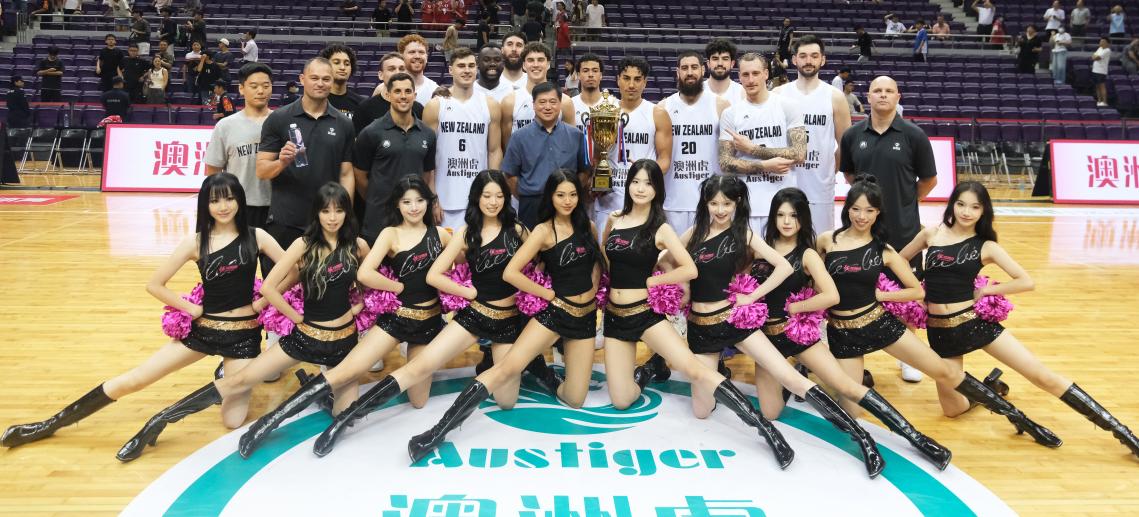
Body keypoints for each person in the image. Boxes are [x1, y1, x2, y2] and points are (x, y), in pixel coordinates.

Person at [0, 174, 286, 453]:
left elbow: (293, 269)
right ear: (205, 205)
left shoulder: (257, 236)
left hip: (243, 338)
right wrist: (190, 308)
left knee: (232, 421)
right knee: (136, 379)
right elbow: (155, 284)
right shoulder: (196, 242)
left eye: (230, 199)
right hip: (203, 331)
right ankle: (48, 424)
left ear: (240, 201)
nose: (223, 206)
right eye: (215, 201)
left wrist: (263, 301)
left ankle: (229, 371)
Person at [115, 183, 370, 461]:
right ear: (316, 213)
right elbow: (272, 286)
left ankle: (320, 390)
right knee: (239, 384)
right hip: (304, 337)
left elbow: (369, 279)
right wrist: (295, 316)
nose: (332, 217)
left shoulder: (358, 246)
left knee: (346, 415)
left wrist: (359, 302)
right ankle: (160, 420)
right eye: (325, 211)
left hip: (344, 340)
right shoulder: (304, 244)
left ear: (348, 213)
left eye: (339, 210)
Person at [304, 171, 551, 456]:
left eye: (499, 196)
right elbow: (435, 274)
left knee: (507, 401)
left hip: (508, 322)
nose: (493, 202)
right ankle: (343, 421)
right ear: (477, 199)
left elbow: (539, 260)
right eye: (487, 196)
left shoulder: (519, 230)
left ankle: (499, 363)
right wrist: (467, 292)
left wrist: (534, 287)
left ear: (507, 198)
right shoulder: (465, 232)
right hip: (474, 314)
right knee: (417, 368)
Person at [901, 182, 1139, 460]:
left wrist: (986, 291)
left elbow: (1026, 281)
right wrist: (916, 291)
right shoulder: (931, 234)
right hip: (940, 331)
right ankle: (989, 388)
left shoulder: (986, 246)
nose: (966, 212)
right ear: (952, 204)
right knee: (952, 409)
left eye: (975, 207)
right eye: (961, 204)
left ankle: (1124, 434)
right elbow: (900, 260)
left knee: (1042, 376)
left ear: (984, 211)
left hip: (974, 323)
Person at [818, 177, 1061, 448]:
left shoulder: (884, 249)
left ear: (878, 213)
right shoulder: (826, 241)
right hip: (843, 332)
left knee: (946, 376)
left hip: (882, 324)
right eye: (855, 209)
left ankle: (1019, 419)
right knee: (851, 410)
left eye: (869, 210)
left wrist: (886, 295)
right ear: (846, 208)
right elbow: (811, 278)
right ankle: (983, 391)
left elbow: (913, 285)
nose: (861, 216)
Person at [669, 175, 886, 476]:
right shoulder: (693, 233)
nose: (720, 210)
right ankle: (721, 381)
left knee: (790, 377)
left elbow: (783, 267)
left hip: (734, 320)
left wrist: (752, 296)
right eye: (714, 203)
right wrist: (682, 286)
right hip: (700, 327)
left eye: (726, 203)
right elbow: (665, 258)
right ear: (705, 203)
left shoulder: (742, 233)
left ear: (737, 203)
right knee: (701, 411)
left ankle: (861, 438)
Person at [236, 176, 458, 458]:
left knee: (419, 401)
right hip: (396, 320)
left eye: (420, 200)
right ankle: (278, 423)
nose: (414, 207)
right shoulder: (389, 234)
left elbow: (463, 262)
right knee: (349, 371)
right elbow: (365, 274)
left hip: (429, 323)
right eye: (406, 201)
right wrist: (396, 288)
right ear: (398, 205)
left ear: (429, 202)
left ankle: (331, 402)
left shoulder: (442, 236)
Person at [402, 170, 608, 463]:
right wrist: (546, 293)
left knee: (575, 400)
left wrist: (594, 290)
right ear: (550, 197)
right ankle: (436, 432)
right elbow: (512, 272)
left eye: (573, 194)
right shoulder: (541, 230)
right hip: (554, 311)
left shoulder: (588, 226)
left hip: (585, 319)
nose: (567, 200)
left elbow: (594, 262)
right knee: (504, 372)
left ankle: (544, 373)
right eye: (560, 194)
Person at [754, 187, 951, 470]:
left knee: (847, 386)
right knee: (770, 412)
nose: (786, 222)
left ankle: (909, 439)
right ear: (772, 217)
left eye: (794, 216)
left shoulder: (808, 253)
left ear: (803, 219)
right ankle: (792, 379)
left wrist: (797, 308)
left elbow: (831, 295)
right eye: (781, 215)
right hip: (766, 340)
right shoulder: (759, 250)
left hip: (798, 334)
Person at [256, 57, 356, 263]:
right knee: (281, 281)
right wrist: (281, 162)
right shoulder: (279, 118)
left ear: (332, 81)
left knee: (324, 281)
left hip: (327, 222)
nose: (320, 83)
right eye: (314, 78)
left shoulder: (344, 123)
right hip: (286, 220)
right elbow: (261, 170)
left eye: (326, 79)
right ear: (302, 79)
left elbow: (346, 174)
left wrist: (345, 213)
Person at [838, 76, 936, 266]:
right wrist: (867, 195)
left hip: (903, 233)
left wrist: (906, 200)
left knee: (906, 285)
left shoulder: (915, 135)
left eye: (889, 91)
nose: (883, 95)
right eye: (877, 91)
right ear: (868, 97)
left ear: (898, 97)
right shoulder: (851, 135)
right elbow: (849, 173)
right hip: (862, 231)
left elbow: (929, 180)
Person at [717, 53, 806, 235]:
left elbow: (799, 154)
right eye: (745, 74)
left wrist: (752, 149)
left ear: (766, 73)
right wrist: (765, 166)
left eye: (756, 73)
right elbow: (725, 163)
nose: (750, 80)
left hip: (783, 205)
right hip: (746, 204)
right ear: (739, 76)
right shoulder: (730, 114)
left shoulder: (788, 106)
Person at [774, 35, 851, 236]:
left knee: (819, 242)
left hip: (820, 185)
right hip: (784, 181)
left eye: (814, 56)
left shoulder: (835, 96)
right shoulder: (779, 94)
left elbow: (845, 144)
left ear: (822, 60)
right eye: (803, 56)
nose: (808, 61)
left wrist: (829, 169)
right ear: (794, 59)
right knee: (783, 242)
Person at [592, 56, 672, 239]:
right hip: (609, 198)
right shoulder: (603, 111)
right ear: (618, 80)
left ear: (645, 82)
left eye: (637, 79)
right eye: (626, 78)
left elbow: (665, 159)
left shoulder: (657, 114)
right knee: (604, 250)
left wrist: (645, 173)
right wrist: (596, 179)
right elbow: (595, 155)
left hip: (643, 199)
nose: (631, 85)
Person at [424, 48, 504, 230]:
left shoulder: (490, 105)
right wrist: (432, 197)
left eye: (471, 66)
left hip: (479, 196)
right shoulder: (435, 106)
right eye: (461, 66)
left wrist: (492, 189)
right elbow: (427, 156)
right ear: (450, 70)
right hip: (444, 196)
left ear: (476, 69)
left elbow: (494, 151)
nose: (467, 70)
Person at [353, 73, 437, 244]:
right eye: (397, 91)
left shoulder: (428, 134)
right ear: (388, 95)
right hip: (378, 220)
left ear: (415, 95)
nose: (403, 96)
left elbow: (427, 175)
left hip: (414, 220)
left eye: (408, 91)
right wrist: (377, 198)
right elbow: (359, 175)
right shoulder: (371, 132)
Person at [659, 52, 728, 235]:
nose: (690, 72)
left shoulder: (721, 105)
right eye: (684, 68)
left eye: (694, 67)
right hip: (673, 201)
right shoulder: (663, 107)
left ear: (703, 70)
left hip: (711, 201)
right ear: (677, 72)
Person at [501, 83, 587, 228]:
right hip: (531, 205)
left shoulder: (576, 135)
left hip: (567, 205)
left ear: (560, 104)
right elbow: (510, 175)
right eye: (542, 102)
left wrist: (571, 193)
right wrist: (526, 193)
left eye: (553, 102)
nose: (547, 107)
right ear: (533, 105)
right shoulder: (519, 137)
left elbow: (585, 171)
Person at [206, 63, 274, 229]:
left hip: (277, 207)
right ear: (241, 89)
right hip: (238, 207)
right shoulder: (225, 126)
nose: (261, 91)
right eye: (254, 86)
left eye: (266, 86)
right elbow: (213, 172)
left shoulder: (283, 122)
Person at [499, 42, 575, 145]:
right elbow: (507, 146)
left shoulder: (565, 102)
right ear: (524, 65)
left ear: (548, 64)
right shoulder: (509, 102)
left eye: (540, 60)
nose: (535, 65)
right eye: (530, 60)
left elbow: (570, 144)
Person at [356, 53, 426, 134]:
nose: (397, 72)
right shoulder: (365, 108)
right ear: (381, 75)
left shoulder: (418, 109)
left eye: (402, 69)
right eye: (391, 69)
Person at [320, 44, 366, 120]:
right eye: (336, 62)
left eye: (347, 64)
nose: (342, 67)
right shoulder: (317, 100)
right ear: (325, 66)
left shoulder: (361, 103)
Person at [398, 34, 440, 107]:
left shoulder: (435, 90)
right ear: (401, 57)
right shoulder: (387, 88)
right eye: (412, 52)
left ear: (426, 57)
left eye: (421, 52)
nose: (417, 56)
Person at [703, 38, 744, 105]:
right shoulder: (696, 92)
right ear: (708, 64)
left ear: (732, 64)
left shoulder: (742, 93)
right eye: (715, 59)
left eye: (725, 59)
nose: (720, 63)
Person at [569, 52, 603, 131]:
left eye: (595, 71)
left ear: (601, 75)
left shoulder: (614, 105)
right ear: (578, 75)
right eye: (585, 71)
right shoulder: (570, 105)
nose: (590, 74)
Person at [1093, 37, 1112, 106]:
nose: (1101, 43)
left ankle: (1104, 102)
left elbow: (1096, 57)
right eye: (1100, 41)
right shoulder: (1100, 48)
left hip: (1101, 71)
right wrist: (1094, 56)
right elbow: (1093, 56)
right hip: (1095, 70)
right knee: (1097, 86)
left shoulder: (1107, 50)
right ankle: (1099, 101)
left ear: (1107, 43)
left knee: (1102, 86)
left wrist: (1095, 56)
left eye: (1103, 41)